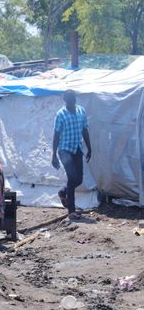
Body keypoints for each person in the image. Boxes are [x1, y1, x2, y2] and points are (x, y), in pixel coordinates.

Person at [52, 89, 92, 220]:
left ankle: (63, 192)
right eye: (68, 100)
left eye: (72, 99)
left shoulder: (81, 111)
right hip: (65, 150)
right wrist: (54, 154)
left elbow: (85, 130)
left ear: (75, 99)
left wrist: (89, 147)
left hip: (77, 148)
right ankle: (71, 211)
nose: (71, 101)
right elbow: (56, 135)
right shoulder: (60, 114)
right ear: (65, 100)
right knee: (72, 177)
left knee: (78, 179)